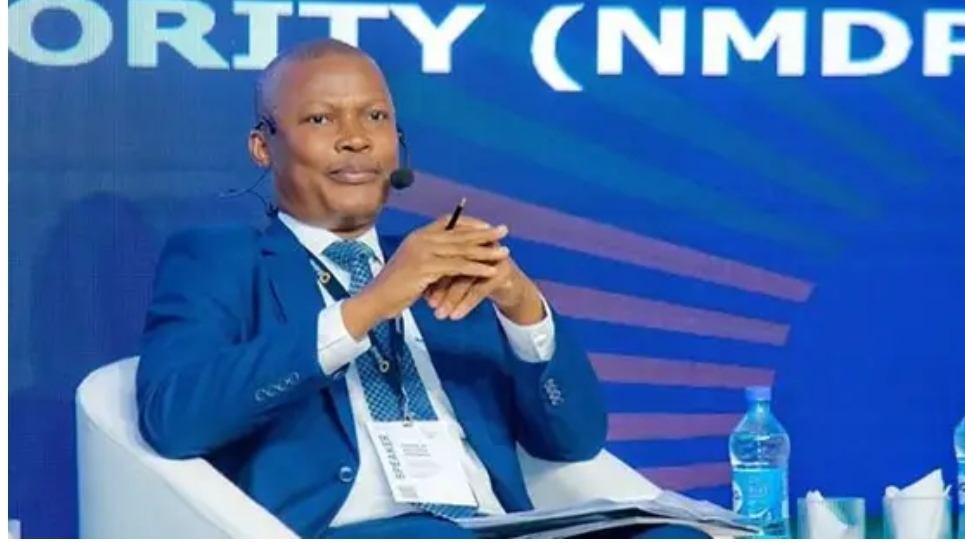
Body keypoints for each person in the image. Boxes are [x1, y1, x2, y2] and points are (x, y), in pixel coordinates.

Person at [135, 38, 710, 539]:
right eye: (321, 120)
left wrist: (522, 309)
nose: (356, 139)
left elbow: (574, 440)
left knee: (678, 538)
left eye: (375, 117)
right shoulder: (220, 259)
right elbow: (174, 420)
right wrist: (369, 306)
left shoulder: (443, 263)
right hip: (349, 531)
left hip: (492, 529)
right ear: (263, 146)